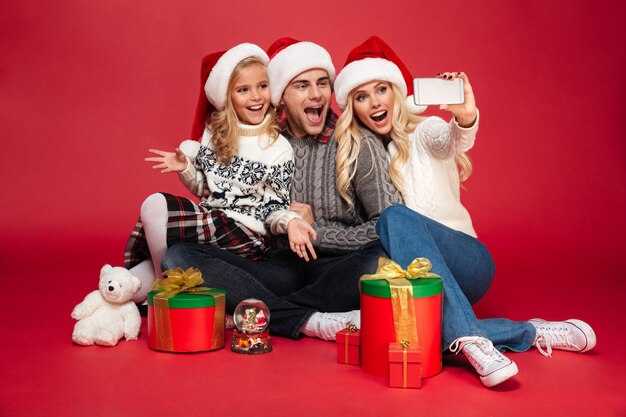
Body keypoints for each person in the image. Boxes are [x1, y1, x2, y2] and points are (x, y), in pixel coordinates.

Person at [333, 35, 596, 387]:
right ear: (354, 107)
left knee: (394, 218)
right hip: (421, 280)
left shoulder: (423, 131)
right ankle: (528, 332)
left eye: (381, 89)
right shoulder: (364, 153)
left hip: (465, 261)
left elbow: (452, 140)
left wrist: (465, 116)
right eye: (362, 97)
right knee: (410, 337)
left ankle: (469, 338)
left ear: (397, 92)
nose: (374, 103)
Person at [163, 38, 400, 341]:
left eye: (322, 83)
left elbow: (391, 227)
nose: (316, 94)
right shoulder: (264, 142)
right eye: (302, 86)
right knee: (178, 257)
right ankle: (308, 320)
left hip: (336, 268)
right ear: (282, 97)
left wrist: (315, 230)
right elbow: (237, 209)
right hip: (279, 269)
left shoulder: (358, 143)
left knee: (378, 261)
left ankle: (253, 307)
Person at [123, 43, 315, 302]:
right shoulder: (214, 133)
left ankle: (161, 291)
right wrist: (186, 168)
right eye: (243, 90)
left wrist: (290, 221)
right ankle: (126, 292)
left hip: (249, 234)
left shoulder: (278, 146)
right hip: (215, 221)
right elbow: (204, 189)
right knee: (154, 263)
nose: (256, 96)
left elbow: (274, 206)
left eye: (262, 86)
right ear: (228, 96)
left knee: (157, 205)